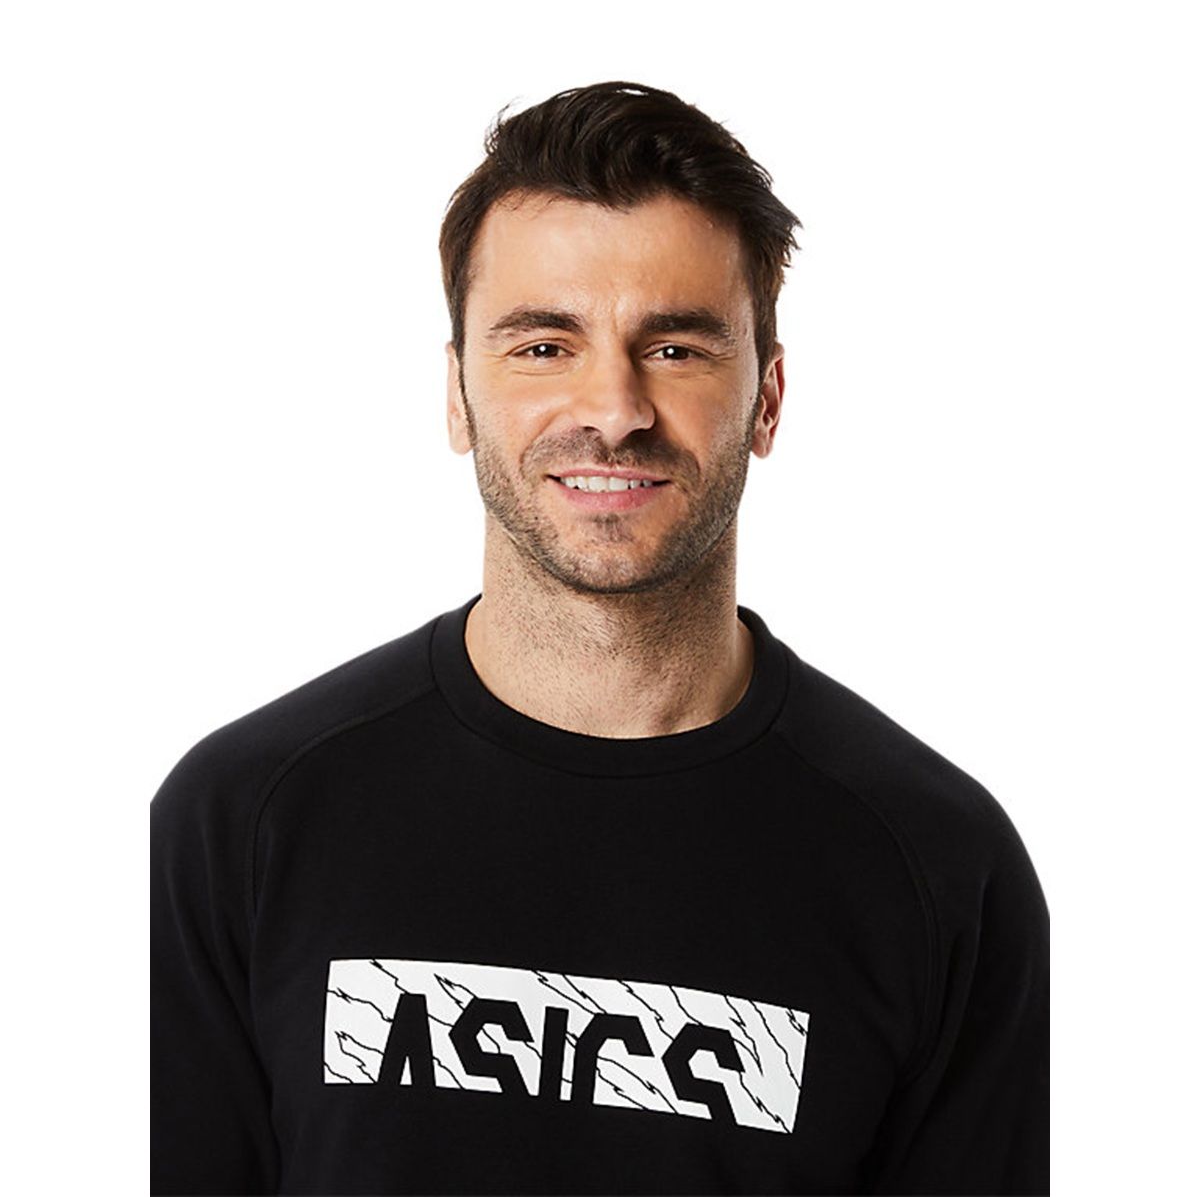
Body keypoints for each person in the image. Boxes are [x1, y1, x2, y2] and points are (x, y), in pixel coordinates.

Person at [150, 81, 1049, 1196]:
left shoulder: (941, 869)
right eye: (543, 346)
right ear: (457, 395)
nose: (614, 408)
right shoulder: (238, 822)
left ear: (768, 398)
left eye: (675, 348)